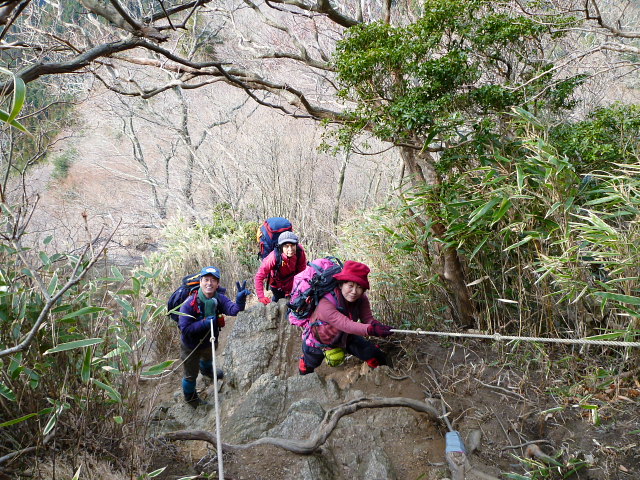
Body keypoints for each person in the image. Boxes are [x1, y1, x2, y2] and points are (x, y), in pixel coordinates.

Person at [298, 260, 393, 375]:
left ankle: (385, 376)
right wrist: (371, 330)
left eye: (359, 287)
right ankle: (304, 370)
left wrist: (376, 325)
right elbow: (346, 324)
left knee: (373, 354)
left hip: (344, 337)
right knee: (309, 366)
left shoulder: (361, 299)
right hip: (318, 341)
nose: (354, 292)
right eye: (350, 286)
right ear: (341, 284)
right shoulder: (326, 304)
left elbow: (367, 319)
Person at [178, 266, 251, 407]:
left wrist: (240, 300)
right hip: (190, 346)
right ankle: (191, 398)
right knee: (190, 375)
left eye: (213, 280)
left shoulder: (220, 299)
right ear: (200, 282)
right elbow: (185, 329)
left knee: (208, 358)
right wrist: (205, 323)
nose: (209, 283)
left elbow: (234, 310)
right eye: (206, 280)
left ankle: (207, 371)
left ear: (218, 284)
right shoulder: (189, 304)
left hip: (209, 340)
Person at [254, 231, 307, 304]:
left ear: (296, 245)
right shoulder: (273, 257)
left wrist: (302, 288)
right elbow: (259, 276)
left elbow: (302, 271)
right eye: (286, 246)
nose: (290, 249)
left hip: (293, 284)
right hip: (278, 286)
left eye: (292, 245)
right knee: (278, 302)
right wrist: (261, 297)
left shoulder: (299, 251)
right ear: (281, 247)